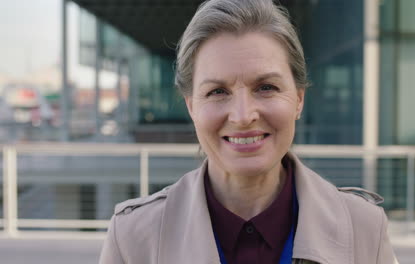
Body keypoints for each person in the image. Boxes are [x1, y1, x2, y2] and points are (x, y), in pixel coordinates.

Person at [99, 0, 399, 263]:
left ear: (298, 99)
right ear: (192, 108)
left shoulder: (365, 229)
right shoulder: (133, 237)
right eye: (217, 91)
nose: (243, 116)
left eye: (266, 87)